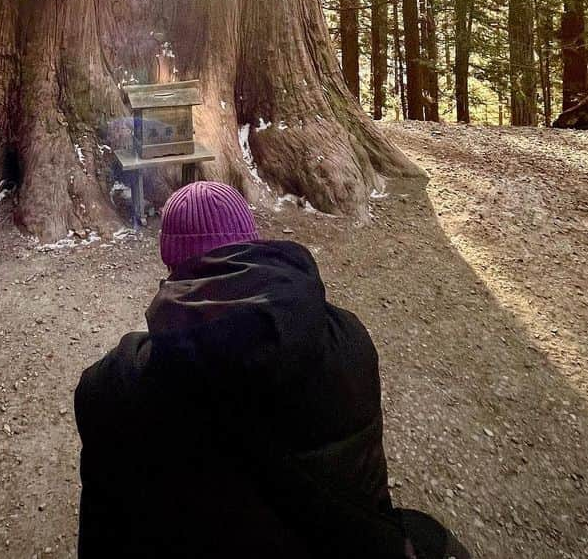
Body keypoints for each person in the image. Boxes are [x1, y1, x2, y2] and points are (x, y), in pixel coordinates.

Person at [74, 180, 469, 559]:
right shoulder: (348, 340)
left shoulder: (113, 385)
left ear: (171, 261)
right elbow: (367, 489)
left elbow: (103, 531)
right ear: (252, 240)